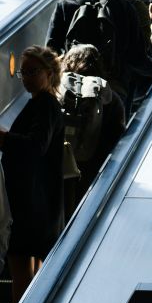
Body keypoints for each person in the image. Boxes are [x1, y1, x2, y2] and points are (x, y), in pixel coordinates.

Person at [0, 46, 64, 303]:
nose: (26, 78)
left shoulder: (46, 105)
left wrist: (4, 139)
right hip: (35, 201)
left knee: (20, 269)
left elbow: (36, 145)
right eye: (23, 73)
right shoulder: (41, 103)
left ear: (49, 74)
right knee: (28, 269)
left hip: (31, 203)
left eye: (32, 72)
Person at [60, 44, 126, 196]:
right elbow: (118, 135)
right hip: (93, 163)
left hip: (61, 162)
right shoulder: (110, 97)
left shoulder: (59, 91)